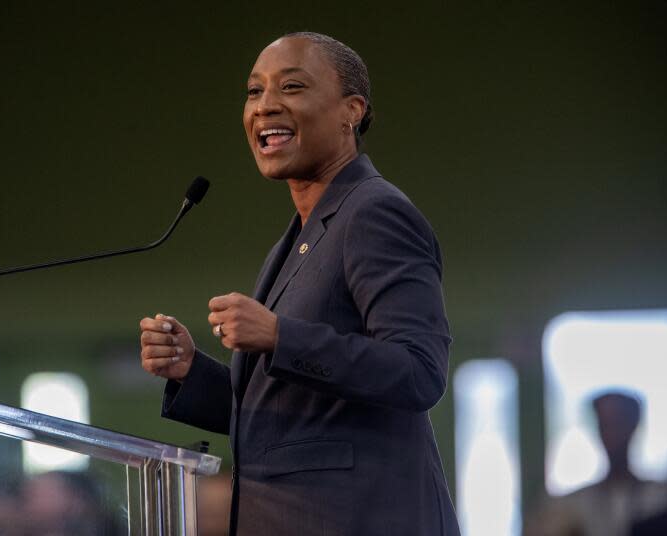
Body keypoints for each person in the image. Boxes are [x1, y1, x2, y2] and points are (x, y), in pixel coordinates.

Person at [139, 31, 459, 535]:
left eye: (291, 87)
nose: (265, 107)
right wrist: (190, 372)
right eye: (254, 92)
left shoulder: (375, 212)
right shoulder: (301, 235)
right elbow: (295, 422)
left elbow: (419, 371)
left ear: (350, 111)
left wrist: (279, 335)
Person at [524, 391, 667, 536]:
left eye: (619, 422)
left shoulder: (661, 497)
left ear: (633, 426)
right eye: (606, 424)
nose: (612, 434)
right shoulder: (574, 505)